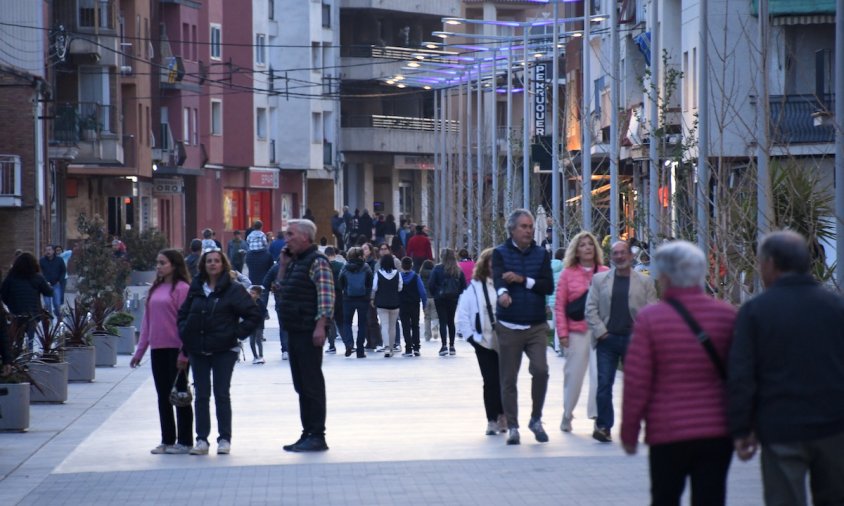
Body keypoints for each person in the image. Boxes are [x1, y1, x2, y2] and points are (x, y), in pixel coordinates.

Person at [728, 230, 844, 506]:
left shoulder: (756, 311)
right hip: (834, 425)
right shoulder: (835, 307)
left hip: (780, 426)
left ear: (769, 264)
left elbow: (742, 374)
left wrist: (742, 428)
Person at [621, 241, 737, 505]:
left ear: (663, 276)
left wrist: (630, 431)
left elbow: (637, 381)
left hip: (667, 431)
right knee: (711, 497)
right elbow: (739, 376)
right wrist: (744, 427)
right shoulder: (725, 315)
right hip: (716, 431)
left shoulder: (651, 319)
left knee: (665, 497)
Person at [177, 248, 262, 456]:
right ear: (203, 265)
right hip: (198, 349)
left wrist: (236, 334)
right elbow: (183, 314)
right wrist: (185, 333)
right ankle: (201, 440)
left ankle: (224, 439)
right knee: (201, 394)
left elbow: (254, 315)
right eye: (209, 261)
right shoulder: (196, 288)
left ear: (223, 264)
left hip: (225, 350)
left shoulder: (233, 289)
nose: (213, 264)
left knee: (221, 393)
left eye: (216, 261)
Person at [492, 209, 554, 445]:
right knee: (508, 379)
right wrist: (502, 293)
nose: (528, 230)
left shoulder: (541, 254)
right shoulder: (499, 253)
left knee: (541, 370)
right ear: (512, 229)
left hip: (536, 324)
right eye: (524, 227)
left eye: (530, 227)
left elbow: (547, 286)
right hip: (509, 324)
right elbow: (498, 278)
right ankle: (513, 426)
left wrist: (522, 280)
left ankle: (536, 419)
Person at [585, 240, 657, 443]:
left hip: (634, 341)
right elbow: (590, 309)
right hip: (607, 340)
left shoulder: (644, 282)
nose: (619, 256)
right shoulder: (600, 280)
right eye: (615, 253)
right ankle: (603, 426)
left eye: (623, 252)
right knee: (604, 384)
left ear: (631, 255)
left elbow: (653, 311)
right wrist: (601, 333)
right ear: (611, 257)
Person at [276, 219, 335, 452]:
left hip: (308, 331)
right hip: (294, 329)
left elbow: (326, 296)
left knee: (311, 384)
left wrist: (321, 326)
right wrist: (282, 266)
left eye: (290, 234)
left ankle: (317, 435)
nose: (286, 238)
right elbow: (281, 289)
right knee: (301, 385)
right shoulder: (294, 262)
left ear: (305, 237)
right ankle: (307, 432)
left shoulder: (317, 262)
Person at [130, 249, 194, 455]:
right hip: (158, 349)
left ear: (174, 265)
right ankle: (167, 439)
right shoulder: (155, 289)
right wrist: (140, 351)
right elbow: (147, 323)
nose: (158, 266)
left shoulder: (182, 289)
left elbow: (187, 323)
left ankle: (185, 441)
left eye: (162, 263)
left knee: (180, 395)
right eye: (157, 263)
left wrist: (184, 354)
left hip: (177, 350)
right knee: (163, 396)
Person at [553, 232, 607, 433]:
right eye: (582, 245)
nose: (587, 248)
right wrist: (563, 333)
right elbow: (560, 305)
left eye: (590, 244)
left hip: (599, 333)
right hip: (576, 332)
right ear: (576, 250)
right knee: (573, 376)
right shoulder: (568, 274)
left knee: (599, 375)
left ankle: (596, 415)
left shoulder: (604, 272)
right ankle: (567, 413)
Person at [456, 248, 506, 436]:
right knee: (490, 381)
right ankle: (491, 419)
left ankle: (504, 416)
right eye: (491, 263)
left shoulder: (506, 284)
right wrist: (471, 338)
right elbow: (464, 314)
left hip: (505, 341)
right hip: (483, 342)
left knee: (505, 381)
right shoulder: (475, 287)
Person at [0, 252, 53, 352]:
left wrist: (10, 305)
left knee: (17, 338)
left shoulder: (11, 278)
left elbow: (3, 294)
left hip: (16, 313)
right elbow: (49, 292)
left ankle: (18, 355)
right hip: (33, 313)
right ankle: (29, 356)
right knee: (30, 338)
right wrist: (49, 285)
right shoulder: (38, 278)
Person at [428, 248, 466, 357]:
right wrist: (457, 293)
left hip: (440, 298)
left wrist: (436, 293)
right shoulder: (458, 269)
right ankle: (452, 346)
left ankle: (444, 346)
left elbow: (431, 284)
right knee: (451, 321)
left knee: (443, 321)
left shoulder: (437, 269)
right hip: (453, 299)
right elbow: (463, 285)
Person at [338, 247, 372, 358]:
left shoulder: (345, 267)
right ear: (362, 256)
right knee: (362, 324)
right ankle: (360, 350)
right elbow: (370, 282)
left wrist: (345, 290)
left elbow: (340, 281)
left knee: (347, 323)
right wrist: (367, 294)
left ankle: (349, 344)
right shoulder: (366, 267)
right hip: (363, 299)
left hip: (348, 299)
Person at [370, 251, 403, 358]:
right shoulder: (397, 274)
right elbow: (400, 288)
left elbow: (374, 288)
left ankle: (387, 347)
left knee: (384, 325)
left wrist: (372, 298)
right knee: (393, 326)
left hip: (381, 303)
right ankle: (392, 347)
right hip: (394, 302)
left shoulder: (378, 274)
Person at [325, 247, 352, 356]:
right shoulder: (341, 266)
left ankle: (332, 346)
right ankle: (347, 344)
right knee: (341, 322)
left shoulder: (324, 267)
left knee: (330, 322)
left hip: (327, 296)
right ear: (334, 255)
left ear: (326, 255)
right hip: (340, 296)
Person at [398, 256, 426, 357]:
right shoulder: (416, 277)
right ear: (412, 265)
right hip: (414, 304)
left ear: (401, 266)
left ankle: (408, 349)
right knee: (415, 325)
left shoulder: (399, 277)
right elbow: (422, 291)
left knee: (405, 326)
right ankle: (417, 348)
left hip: (403, 304)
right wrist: (424, 304)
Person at [39, 245, 66, 320]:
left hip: (56, 284)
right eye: (46, 250)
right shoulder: (42, 261)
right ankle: (49, 320)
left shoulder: (59, 260)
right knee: (47, 304)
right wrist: (43, 281)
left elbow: (63, 271)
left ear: (53, 251)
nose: (48, 252)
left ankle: (58, 316)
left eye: (50, 250)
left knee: (57, 304)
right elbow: (39, 271)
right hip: (46, 285)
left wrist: (59, 280)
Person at [419, 259, 438, 343]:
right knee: (435, 315)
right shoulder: (434, 273)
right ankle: (435, 327)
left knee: (427, 317)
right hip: (434, 297)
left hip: (425, 297)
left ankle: (427, 335)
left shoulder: (421, 274)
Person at [247, 285, 267, 365]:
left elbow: (264, 312)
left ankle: (261, 356)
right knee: (251, 341)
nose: (251, 294)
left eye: (253, 293)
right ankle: (255, 356)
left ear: (258, 295)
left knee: (258, 341)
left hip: (259, 325)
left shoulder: (260, 303)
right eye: (250, 293)